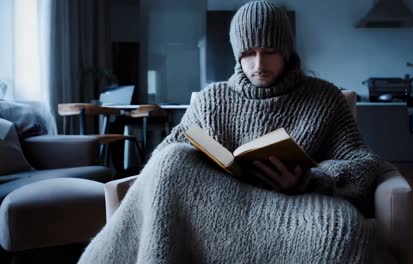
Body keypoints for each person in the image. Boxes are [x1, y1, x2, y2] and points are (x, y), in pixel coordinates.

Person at [79, 1, 383, 263]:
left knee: (342, 233)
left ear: (288, 52)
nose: (259, 64)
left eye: (270, 52)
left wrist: (312, 179)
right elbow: (163, 164)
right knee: (173, 157)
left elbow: (362, 162)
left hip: (295, 206)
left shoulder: (325, 97)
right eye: (249, 53)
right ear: (238, 55)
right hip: (224, 209)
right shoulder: (213, 98)